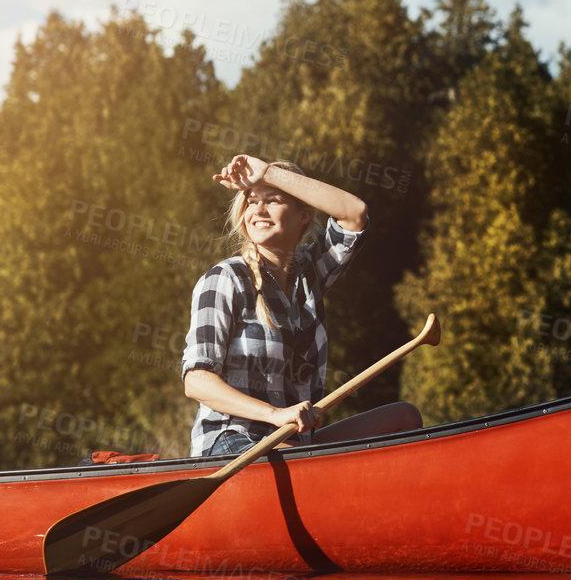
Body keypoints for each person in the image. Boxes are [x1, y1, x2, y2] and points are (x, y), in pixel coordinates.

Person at [181, 154, 425, 458]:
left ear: (303, 216)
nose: (258, 209)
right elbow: (197, 380)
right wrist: (274, 414)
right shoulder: (224, 279)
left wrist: (267, 172)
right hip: (232, 441)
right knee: (287, 448)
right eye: (251, 201)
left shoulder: (310, 273)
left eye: (273, 200)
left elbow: (355, 214)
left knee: (404, 417)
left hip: (294, 445)